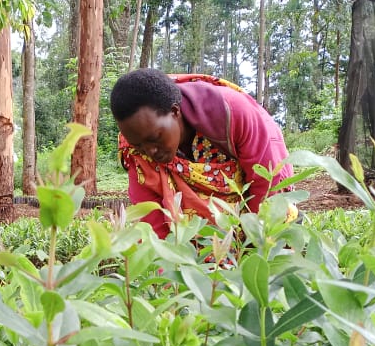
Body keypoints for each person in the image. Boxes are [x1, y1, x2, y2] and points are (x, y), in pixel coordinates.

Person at [109, 68, 292, 239]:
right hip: (195, 241)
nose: (150, 151)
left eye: (155, 138)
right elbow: (151, 221)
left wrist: (253, 244)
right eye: (139, 145)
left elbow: (268, 181)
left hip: (253, 216)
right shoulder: (134, 151)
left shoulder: (231, 112)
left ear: (174, 112)